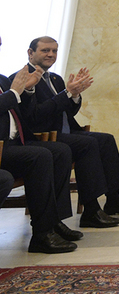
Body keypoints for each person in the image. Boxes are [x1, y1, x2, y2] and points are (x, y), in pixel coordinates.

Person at [18, 36, 119, 229]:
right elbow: (35, 116)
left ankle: (114, 199)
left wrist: (74, 95)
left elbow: (67, 111)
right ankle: (91, 209)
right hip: (45, 135)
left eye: (54, 51)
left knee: (105, 139)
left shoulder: (54, 78)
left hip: (66, 131)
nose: (51, 54)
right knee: (87, 144)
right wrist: (66, 94)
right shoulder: (22, 78)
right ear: (31, 53)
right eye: (45, 50)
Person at [1, 36, 82, 253]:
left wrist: (26, 91)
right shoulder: (12, 80)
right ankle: (42, 234)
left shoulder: (2, 79)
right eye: (46, 50)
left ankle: (54, 221)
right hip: (3, 147)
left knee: (60, 151)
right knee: (40, 156)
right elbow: (20, 108)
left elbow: (24, 110)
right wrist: (15, 93)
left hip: (16, 142)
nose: (51, 55)